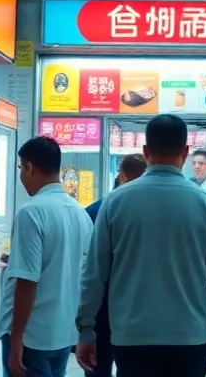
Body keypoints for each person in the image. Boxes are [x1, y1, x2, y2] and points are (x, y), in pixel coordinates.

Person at [76, 114, 206, 377]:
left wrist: (86, 329)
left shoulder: (115, 202)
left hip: (131, 336)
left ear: (146, 151)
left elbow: (93, 274)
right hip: (189, 335)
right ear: (185, 152)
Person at [0, 136, 93, 377]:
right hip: (64, 332)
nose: (21, 176)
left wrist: (16, 337)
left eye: (21, 168)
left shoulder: (31, 212)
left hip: (32, 335)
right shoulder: (79, 213)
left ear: (30, 167)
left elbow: (27, 281)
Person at [84, 153, 148, 377]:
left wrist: (84, 323)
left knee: (98, 366)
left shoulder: (96, 210)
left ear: (121, 176)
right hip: (135, 308)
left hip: (101, 306)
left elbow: (90, 271)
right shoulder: (148, 214)